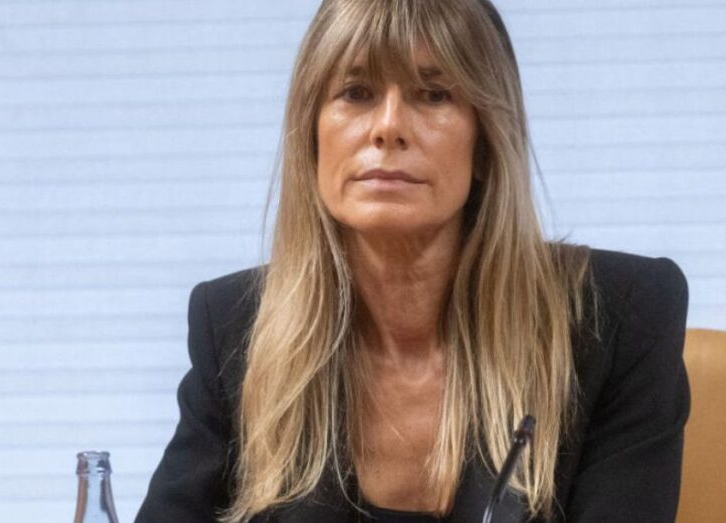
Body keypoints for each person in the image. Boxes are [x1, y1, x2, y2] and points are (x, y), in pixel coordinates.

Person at [135, 0, 690, 522]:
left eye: (433, 95)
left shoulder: (615, 319)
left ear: (486, 142)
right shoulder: (236, 327)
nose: (388, 127)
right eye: (356, 92)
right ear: (312, 137)